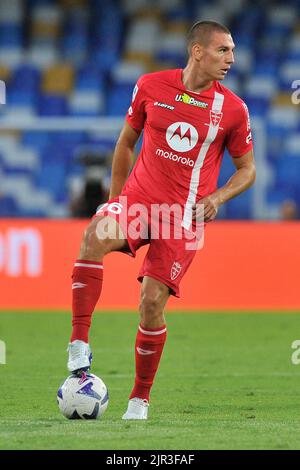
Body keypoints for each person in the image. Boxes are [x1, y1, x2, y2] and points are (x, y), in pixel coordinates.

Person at [67, 20, 256, 420]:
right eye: (223, 50)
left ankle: (139, 400)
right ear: (198, 51)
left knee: (151, 303)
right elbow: (125, 143)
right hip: (137, 203)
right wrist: (116, 201)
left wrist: (217, 197)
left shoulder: (234, 110)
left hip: (181, 218)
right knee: (92, 237)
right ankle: (78, 344)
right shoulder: (151, 85)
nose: (231, 59)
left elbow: (247, 169)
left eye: (233, 51)